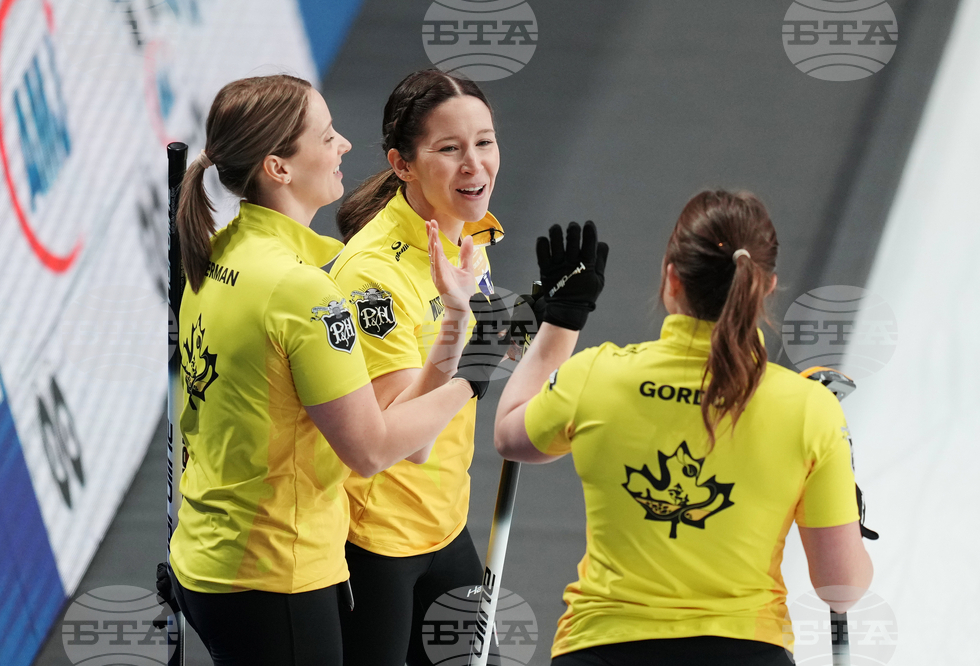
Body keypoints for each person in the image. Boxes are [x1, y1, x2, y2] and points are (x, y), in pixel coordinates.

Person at [167, 74, 486, 666]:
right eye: (326, 135)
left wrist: (454, 325)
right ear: (278, 168)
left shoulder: (224, 250)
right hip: (273, 570)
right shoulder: (302, 292)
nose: (344, 146)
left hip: (213, 554)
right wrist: (476, 374)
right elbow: (372, 450)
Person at [494, 192, 874, 666]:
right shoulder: (810, 409)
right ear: (767, 286)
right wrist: (847, 507)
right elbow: (841, 586)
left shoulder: (598, 375)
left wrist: (561, 323)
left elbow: (510, 436)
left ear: (671, 278)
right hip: (745, 652)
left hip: (602, 648)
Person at [329, 69, 505, 666]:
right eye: (449, 149)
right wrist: (475, 362)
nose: (474, 166)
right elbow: (400, 438)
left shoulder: (469, 232)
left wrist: (540, 327)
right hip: (376, 538)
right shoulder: (370, 275)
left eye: (484, 142)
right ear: (402, 163)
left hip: (445, 521)